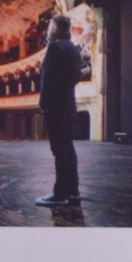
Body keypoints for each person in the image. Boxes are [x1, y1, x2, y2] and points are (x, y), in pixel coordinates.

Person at [36, 13, 82, 207]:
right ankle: (73, 191)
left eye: (49, 28)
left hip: (55, 105)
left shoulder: (55, 47)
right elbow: (76, 76)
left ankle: (60, 193)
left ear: (55, 29)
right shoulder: (73, 48)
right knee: (67, 148)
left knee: (59, 150)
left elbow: (48, 79)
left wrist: (44, 103)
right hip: (68, 104)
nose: (47, 31)